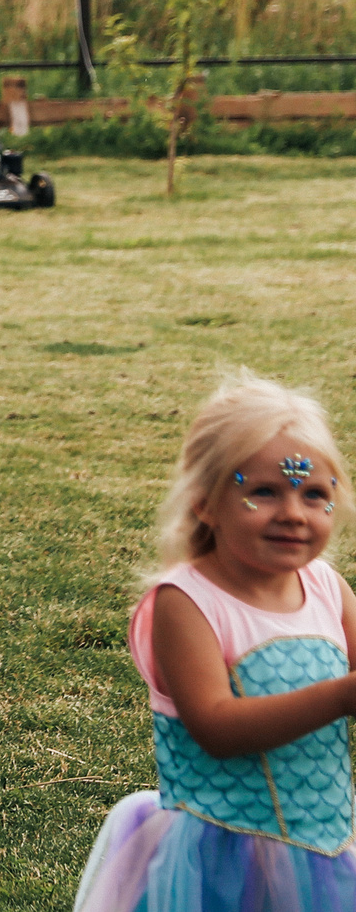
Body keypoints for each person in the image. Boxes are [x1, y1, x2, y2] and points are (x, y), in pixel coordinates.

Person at [73, 370, 356, 911]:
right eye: (264, 493)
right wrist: (341, 696)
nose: (293, 514)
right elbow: (217, 728)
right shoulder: (186, 604)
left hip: (327, 850)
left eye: (315, 494)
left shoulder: (327, 589)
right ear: (205, 502)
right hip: (220, 860)